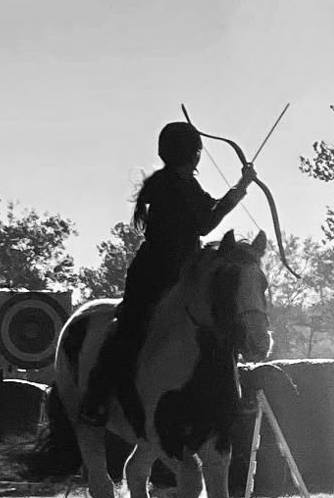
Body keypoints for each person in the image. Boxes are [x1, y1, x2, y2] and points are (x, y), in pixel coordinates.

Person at [79, 120, 258, 426]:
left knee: (221, 321)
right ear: (192, 154)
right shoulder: (169, 185)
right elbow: (205, 223)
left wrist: (240, 188)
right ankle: (97, 397)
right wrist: (240, 188)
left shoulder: (182, 183)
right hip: (156, 273)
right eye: (197, 152)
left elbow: (208, 211)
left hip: (185, 271)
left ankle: (229, 393)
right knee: (130, 328)